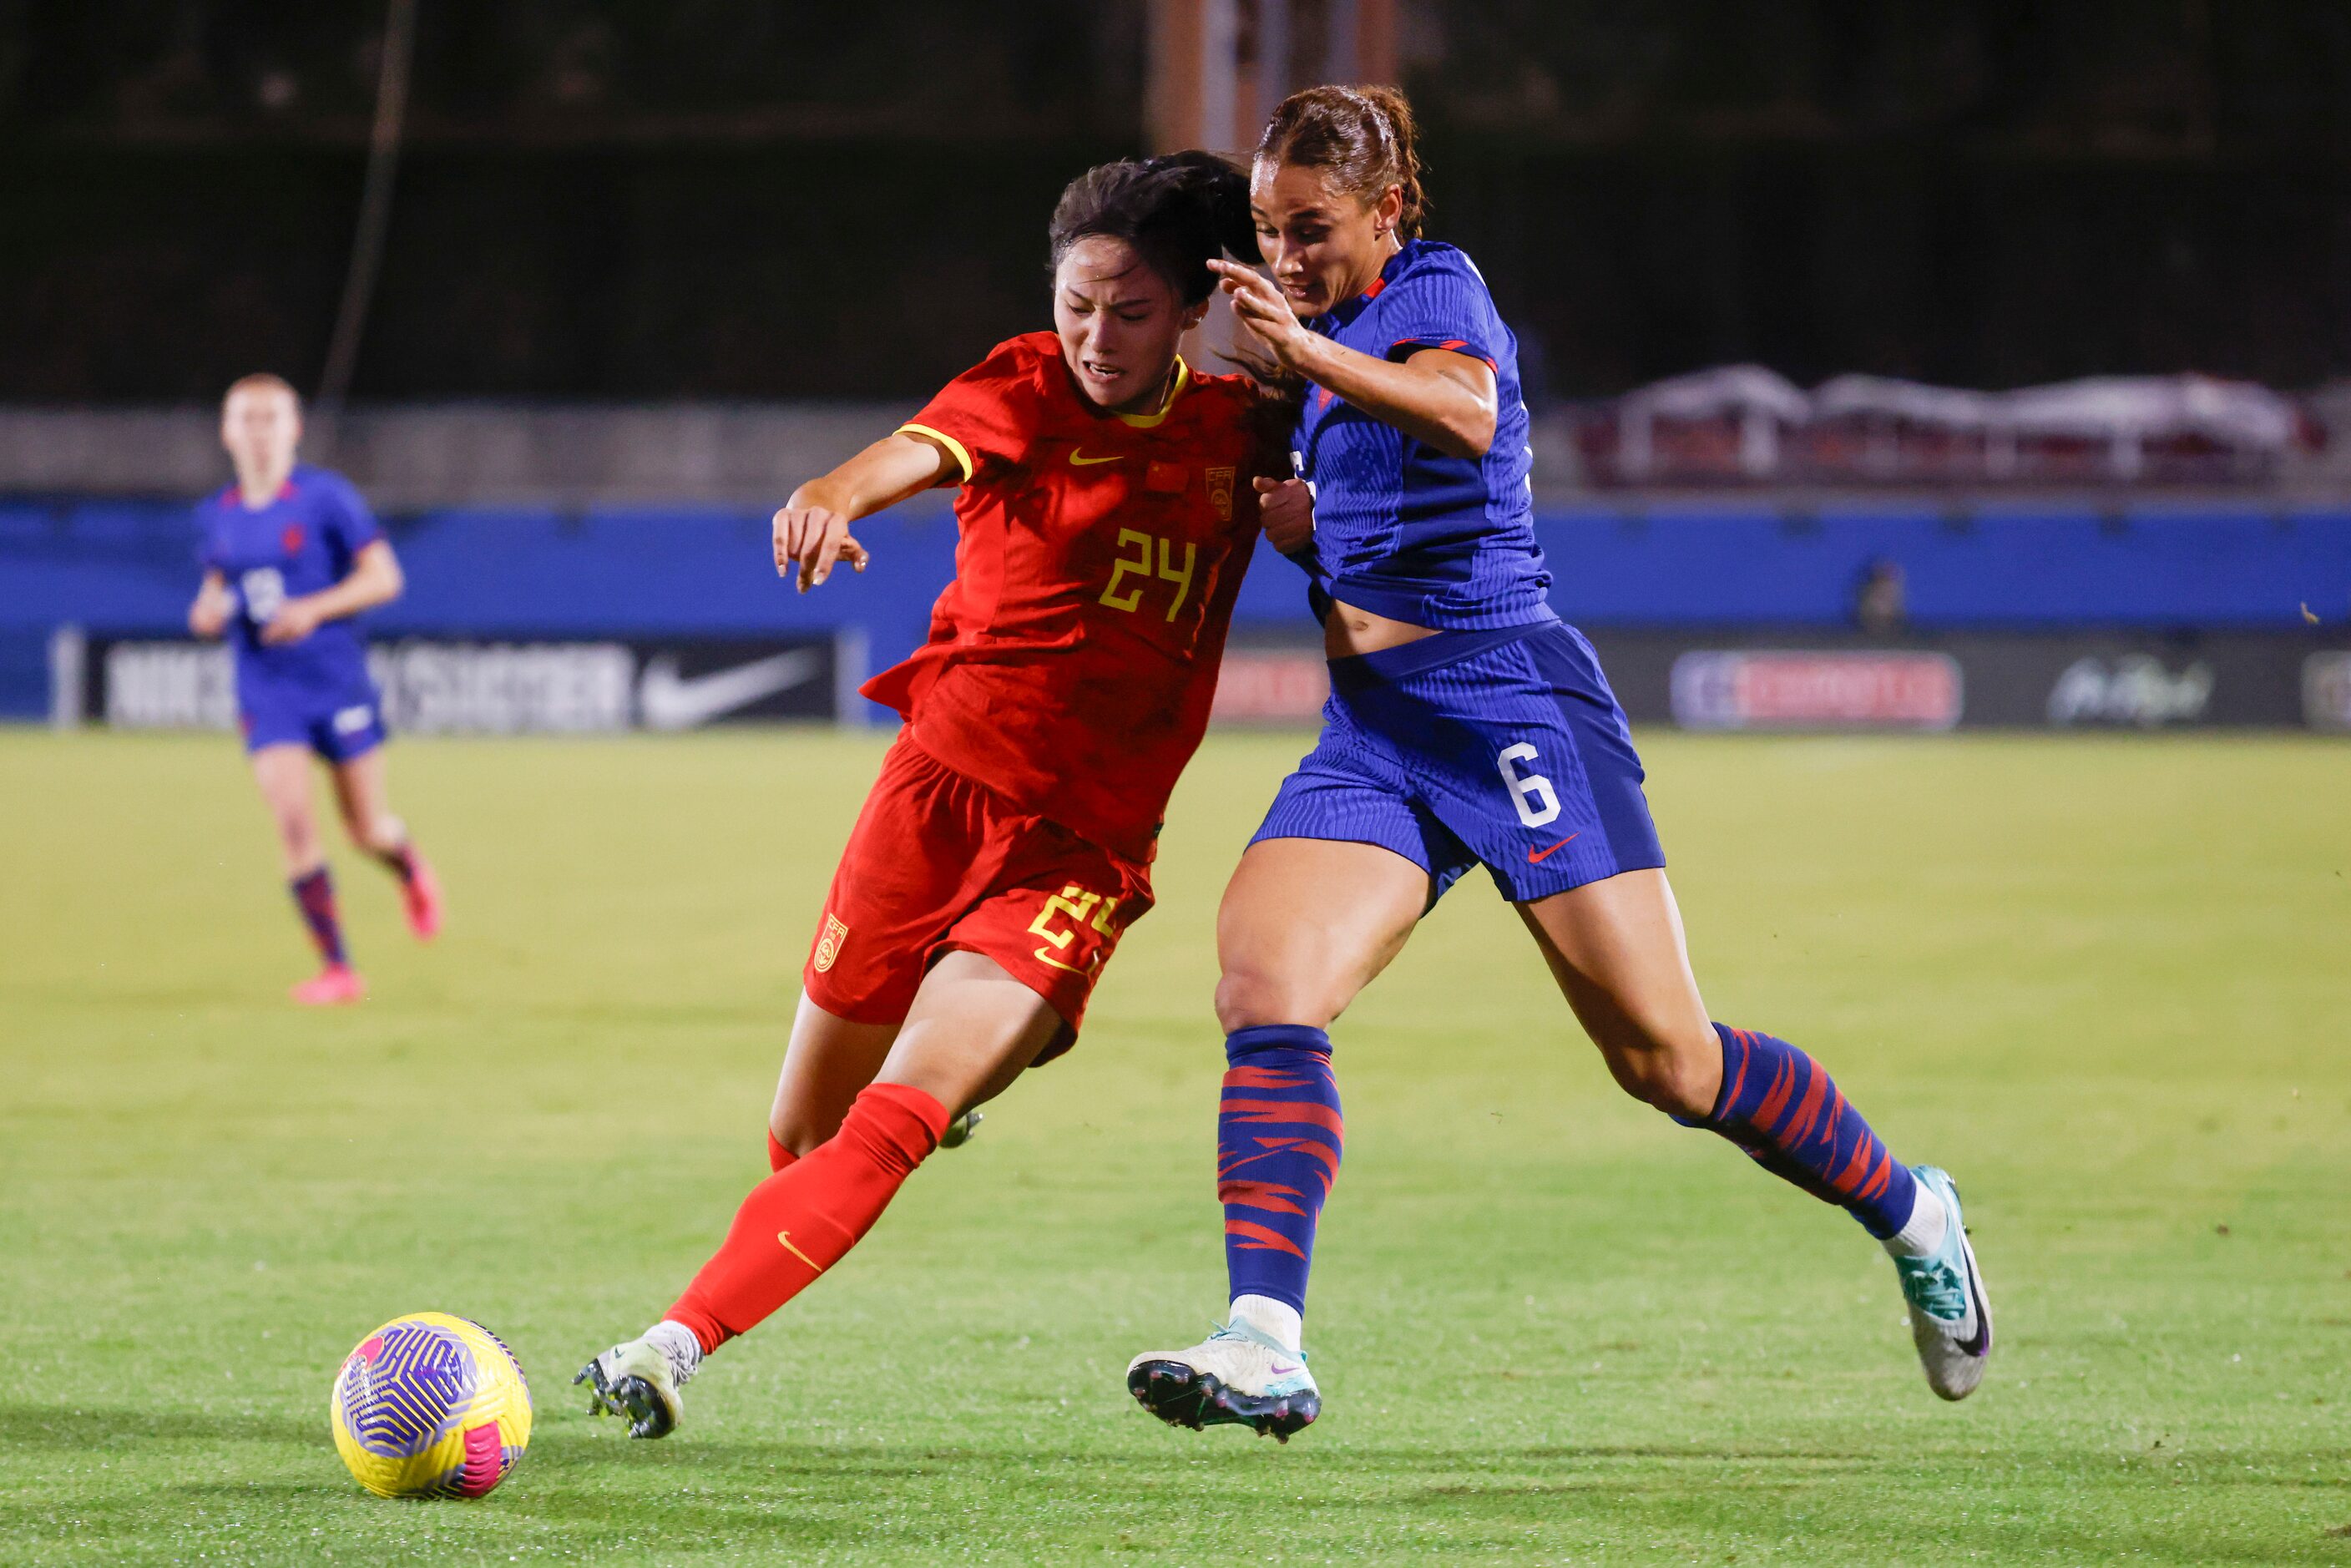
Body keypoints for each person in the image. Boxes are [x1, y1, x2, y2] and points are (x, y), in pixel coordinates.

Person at [1126, 85, 1991, 1443]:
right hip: (1377, 732)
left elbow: (1462, 416)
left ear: (1387, 211)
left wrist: (1303, 353)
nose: (1284, 257)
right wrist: (1298, 517)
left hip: (1511, 706)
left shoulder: (1436, 290)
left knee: (1667, 1061)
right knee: (1264, 977)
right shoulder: (1315, 347)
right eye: (1265, 230)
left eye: (1312, 227)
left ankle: (1911, 1208)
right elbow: (1369, 512)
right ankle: (1265, 1335)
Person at [575, 152, 1305, 1439]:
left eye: (1129, 311)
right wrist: (827, 494)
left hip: (1080, 853)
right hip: (935, 799)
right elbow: (911, 454)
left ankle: (665, 1343)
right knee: (808, 1133)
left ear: (1193, 308)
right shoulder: (1023, 383)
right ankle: (963, 1069)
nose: (1094, 335)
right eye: (1078, 301)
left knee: (901, 1114)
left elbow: (1382, 472)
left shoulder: (1245, 426)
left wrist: (1314, 511)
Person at [187, 374, 442, 1004]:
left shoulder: (327, 499)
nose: (259, 431)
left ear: (294, 428)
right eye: (246, 419)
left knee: (365, 829)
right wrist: (207, 613)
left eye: (271, 418)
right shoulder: (217, 514)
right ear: (227, 431)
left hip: (335, 682)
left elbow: (385, 579)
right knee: (294, 822)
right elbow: (214, 590)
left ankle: (407, 865)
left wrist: (315, 610)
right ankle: (339, 969)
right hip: (267, 691)